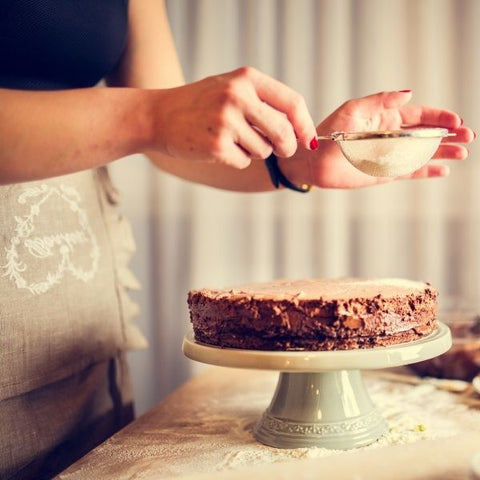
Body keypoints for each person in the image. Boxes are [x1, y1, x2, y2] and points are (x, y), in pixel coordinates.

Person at [0, 1, 475, 479]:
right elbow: (156, 117)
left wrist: (303, 161)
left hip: (84, 326)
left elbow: (176, 142)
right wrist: (153, 114)